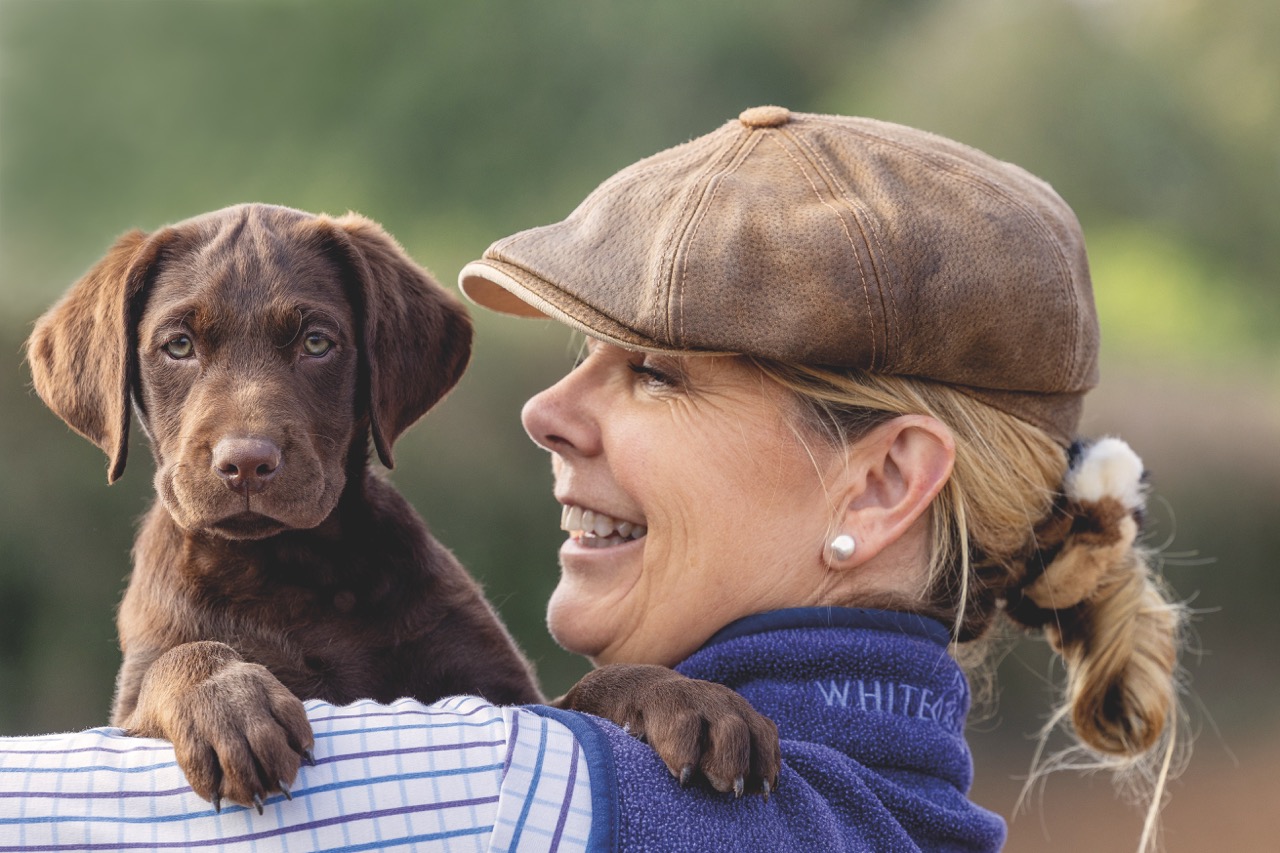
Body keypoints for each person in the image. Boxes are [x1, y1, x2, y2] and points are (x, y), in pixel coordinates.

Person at [0, 106, 1184, 852]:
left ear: (878, 486)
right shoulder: (922, 816)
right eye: (580, 358)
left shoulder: (513, 800)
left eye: (655, 376)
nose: (544, 411)